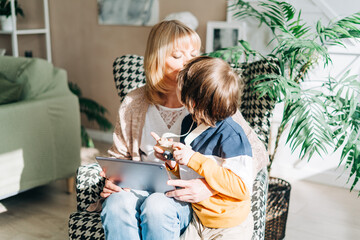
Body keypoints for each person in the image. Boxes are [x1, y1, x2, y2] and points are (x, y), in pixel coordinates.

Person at [99, 20, 268, 240]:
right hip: (140, 189)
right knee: (115, 204)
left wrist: (210, 186)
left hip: (181, 198)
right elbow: (117, 157)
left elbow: (258, 153)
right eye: (178, 56)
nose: (188, 63)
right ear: (156, 61)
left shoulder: (210, 101)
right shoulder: (134, 103)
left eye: (193, 54)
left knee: (157, 206)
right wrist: (114, 181)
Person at [152, 56, 254, 240]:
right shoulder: (188, 123)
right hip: (199, 219)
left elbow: (241, 187)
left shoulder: (232, 135)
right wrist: (171, 162)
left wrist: (193, 159)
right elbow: (188, 174)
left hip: (230, 226)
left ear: (192, 102)